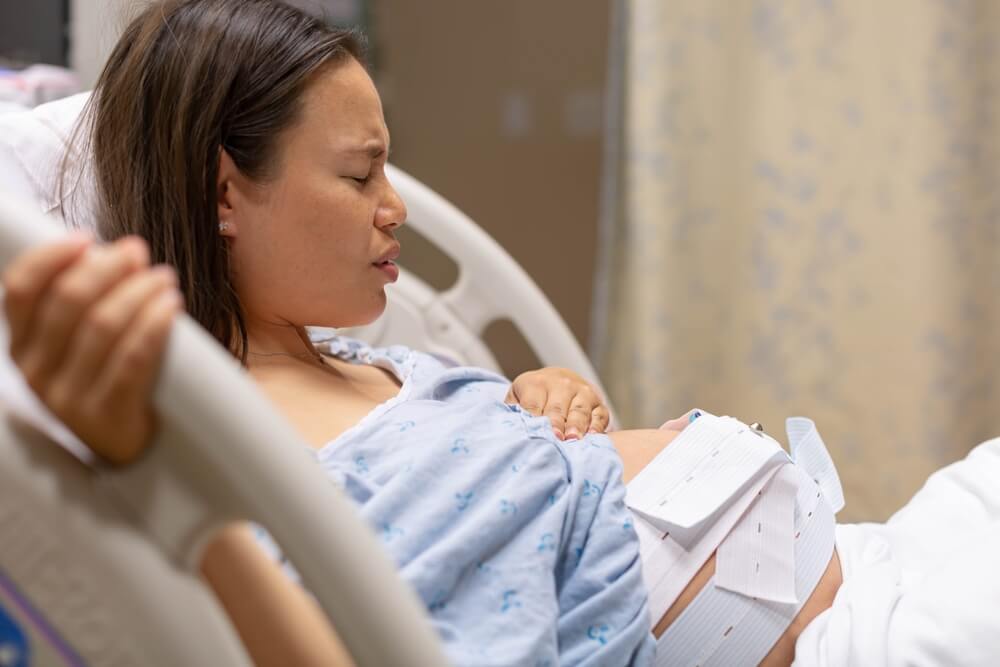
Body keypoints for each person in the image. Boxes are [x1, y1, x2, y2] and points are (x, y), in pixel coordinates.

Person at [1, 1, 921, 665]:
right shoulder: (240, 454)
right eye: (361, 176)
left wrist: (544, 396)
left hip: (874, 570)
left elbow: (527, 483)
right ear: (222, 193)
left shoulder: (363, 364)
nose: (394, 206)